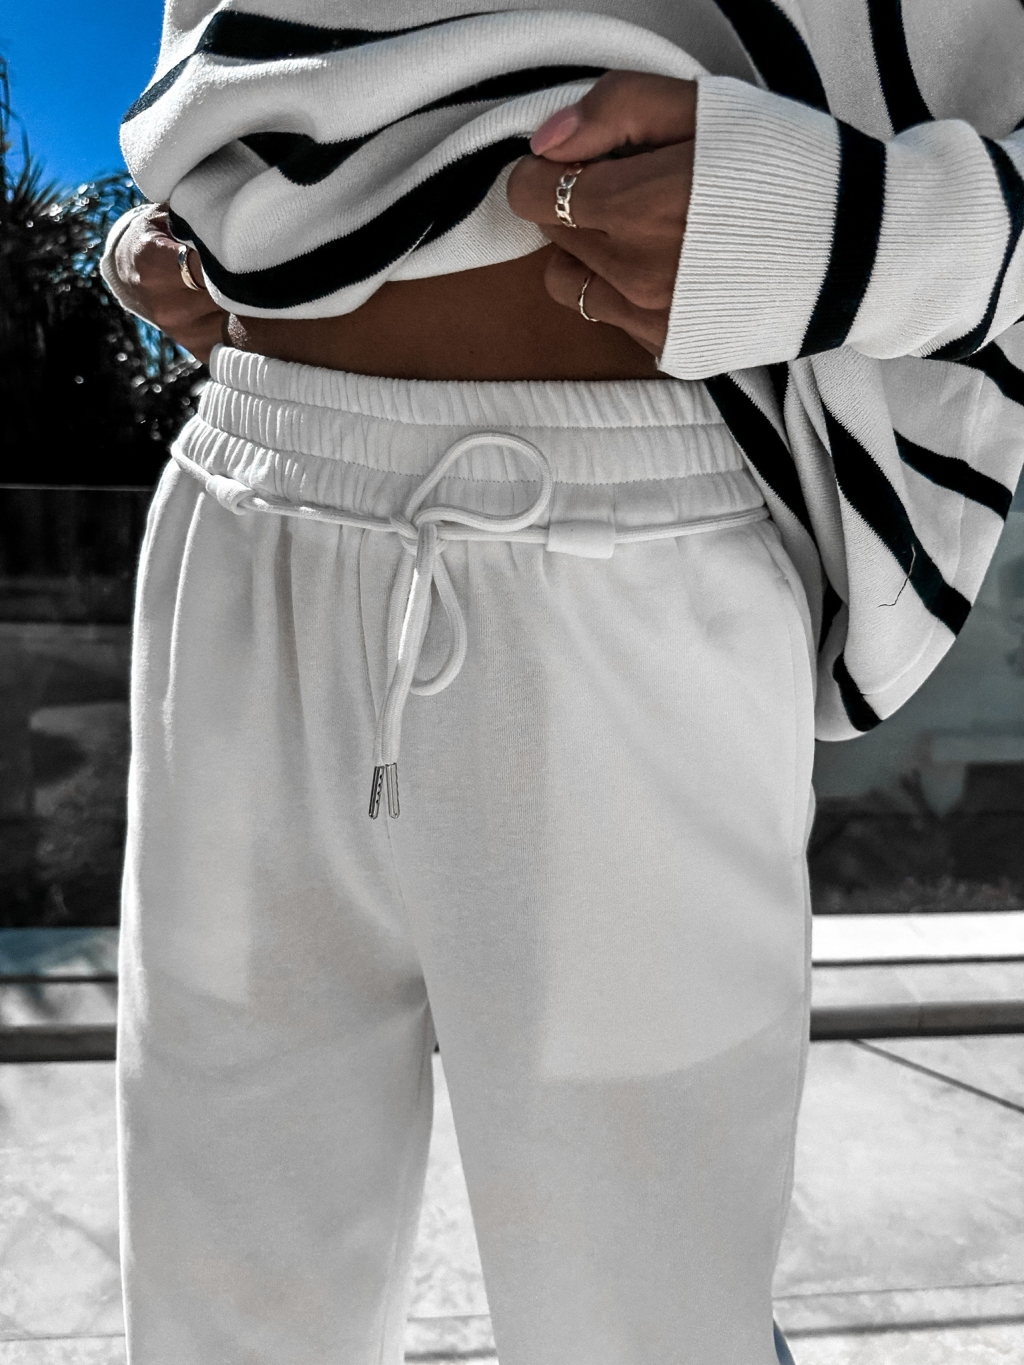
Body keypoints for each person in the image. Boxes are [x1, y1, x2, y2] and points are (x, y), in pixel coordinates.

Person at [103, 4, 1024, 1364]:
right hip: (248, 505)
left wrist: (880, 232)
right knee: (217, 1328)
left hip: (628, 563)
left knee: (647, 1329)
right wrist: (191, 197)